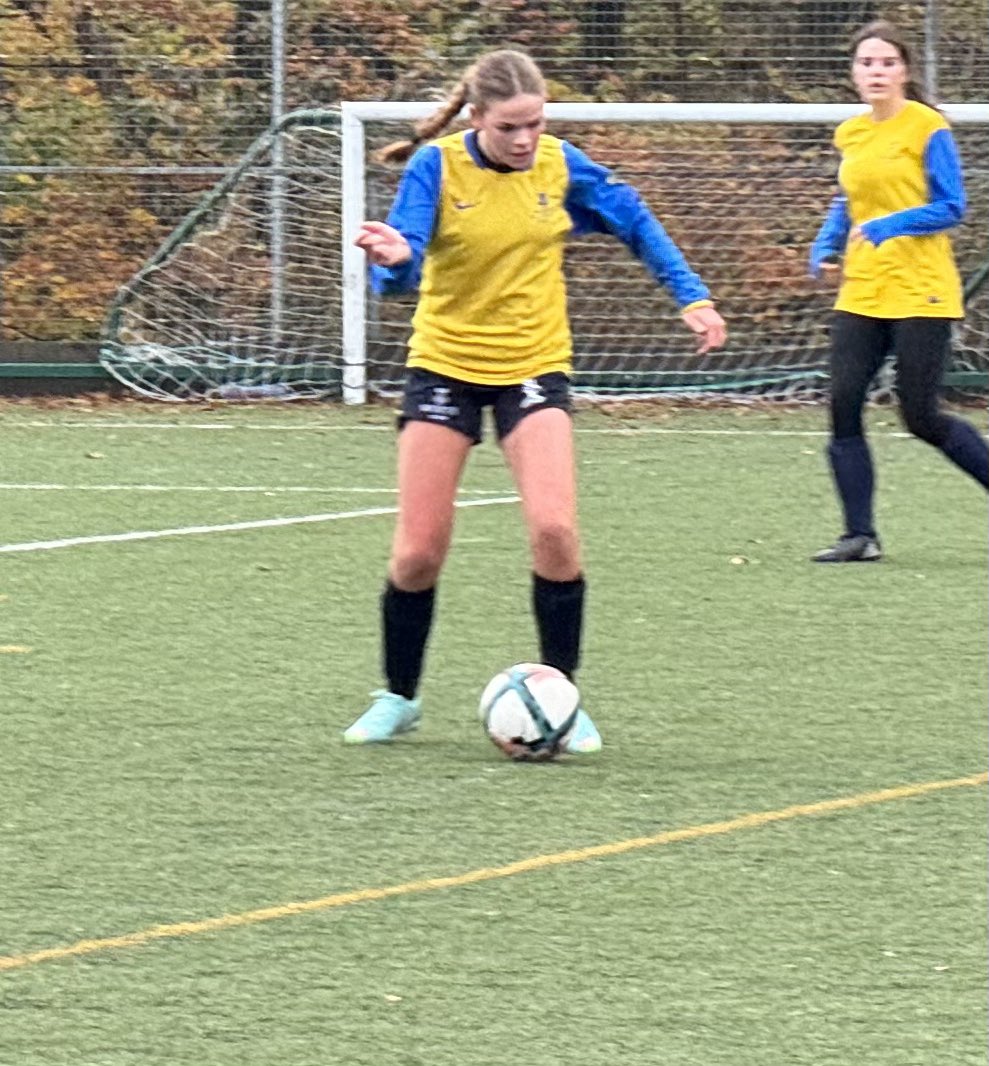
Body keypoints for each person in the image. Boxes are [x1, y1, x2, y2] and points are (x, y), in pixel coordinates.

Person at [342, 48, 727, 753]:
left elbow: (634, 219)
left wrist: (691, 296)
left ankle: (563, 697)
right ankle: (398, 696)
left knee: (555, 533)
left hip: (533, 366)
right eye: (510, 127)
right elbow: (402, 274)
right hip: (444, 368)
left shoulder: (558, 163)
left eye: (535, 124)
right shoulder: (438, 167)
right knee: (417, 555)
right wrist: (395, 263)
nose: (525, 140)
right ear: (477, 117)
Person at [809, 20, 988, 563]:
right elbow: (848, 200)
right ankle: (858, 535)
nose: (876, 72)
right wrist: (826, 245)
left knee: (922, 417)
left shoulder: (927, 127)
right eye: (866, 63)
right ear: (853, 74)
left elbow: (952, 205)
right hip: (863, 290)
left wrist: (890, 226)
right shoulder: (851, 133)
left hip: (921, 291)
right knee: (842, 404)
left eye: (886, 62)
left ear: (905, 71)